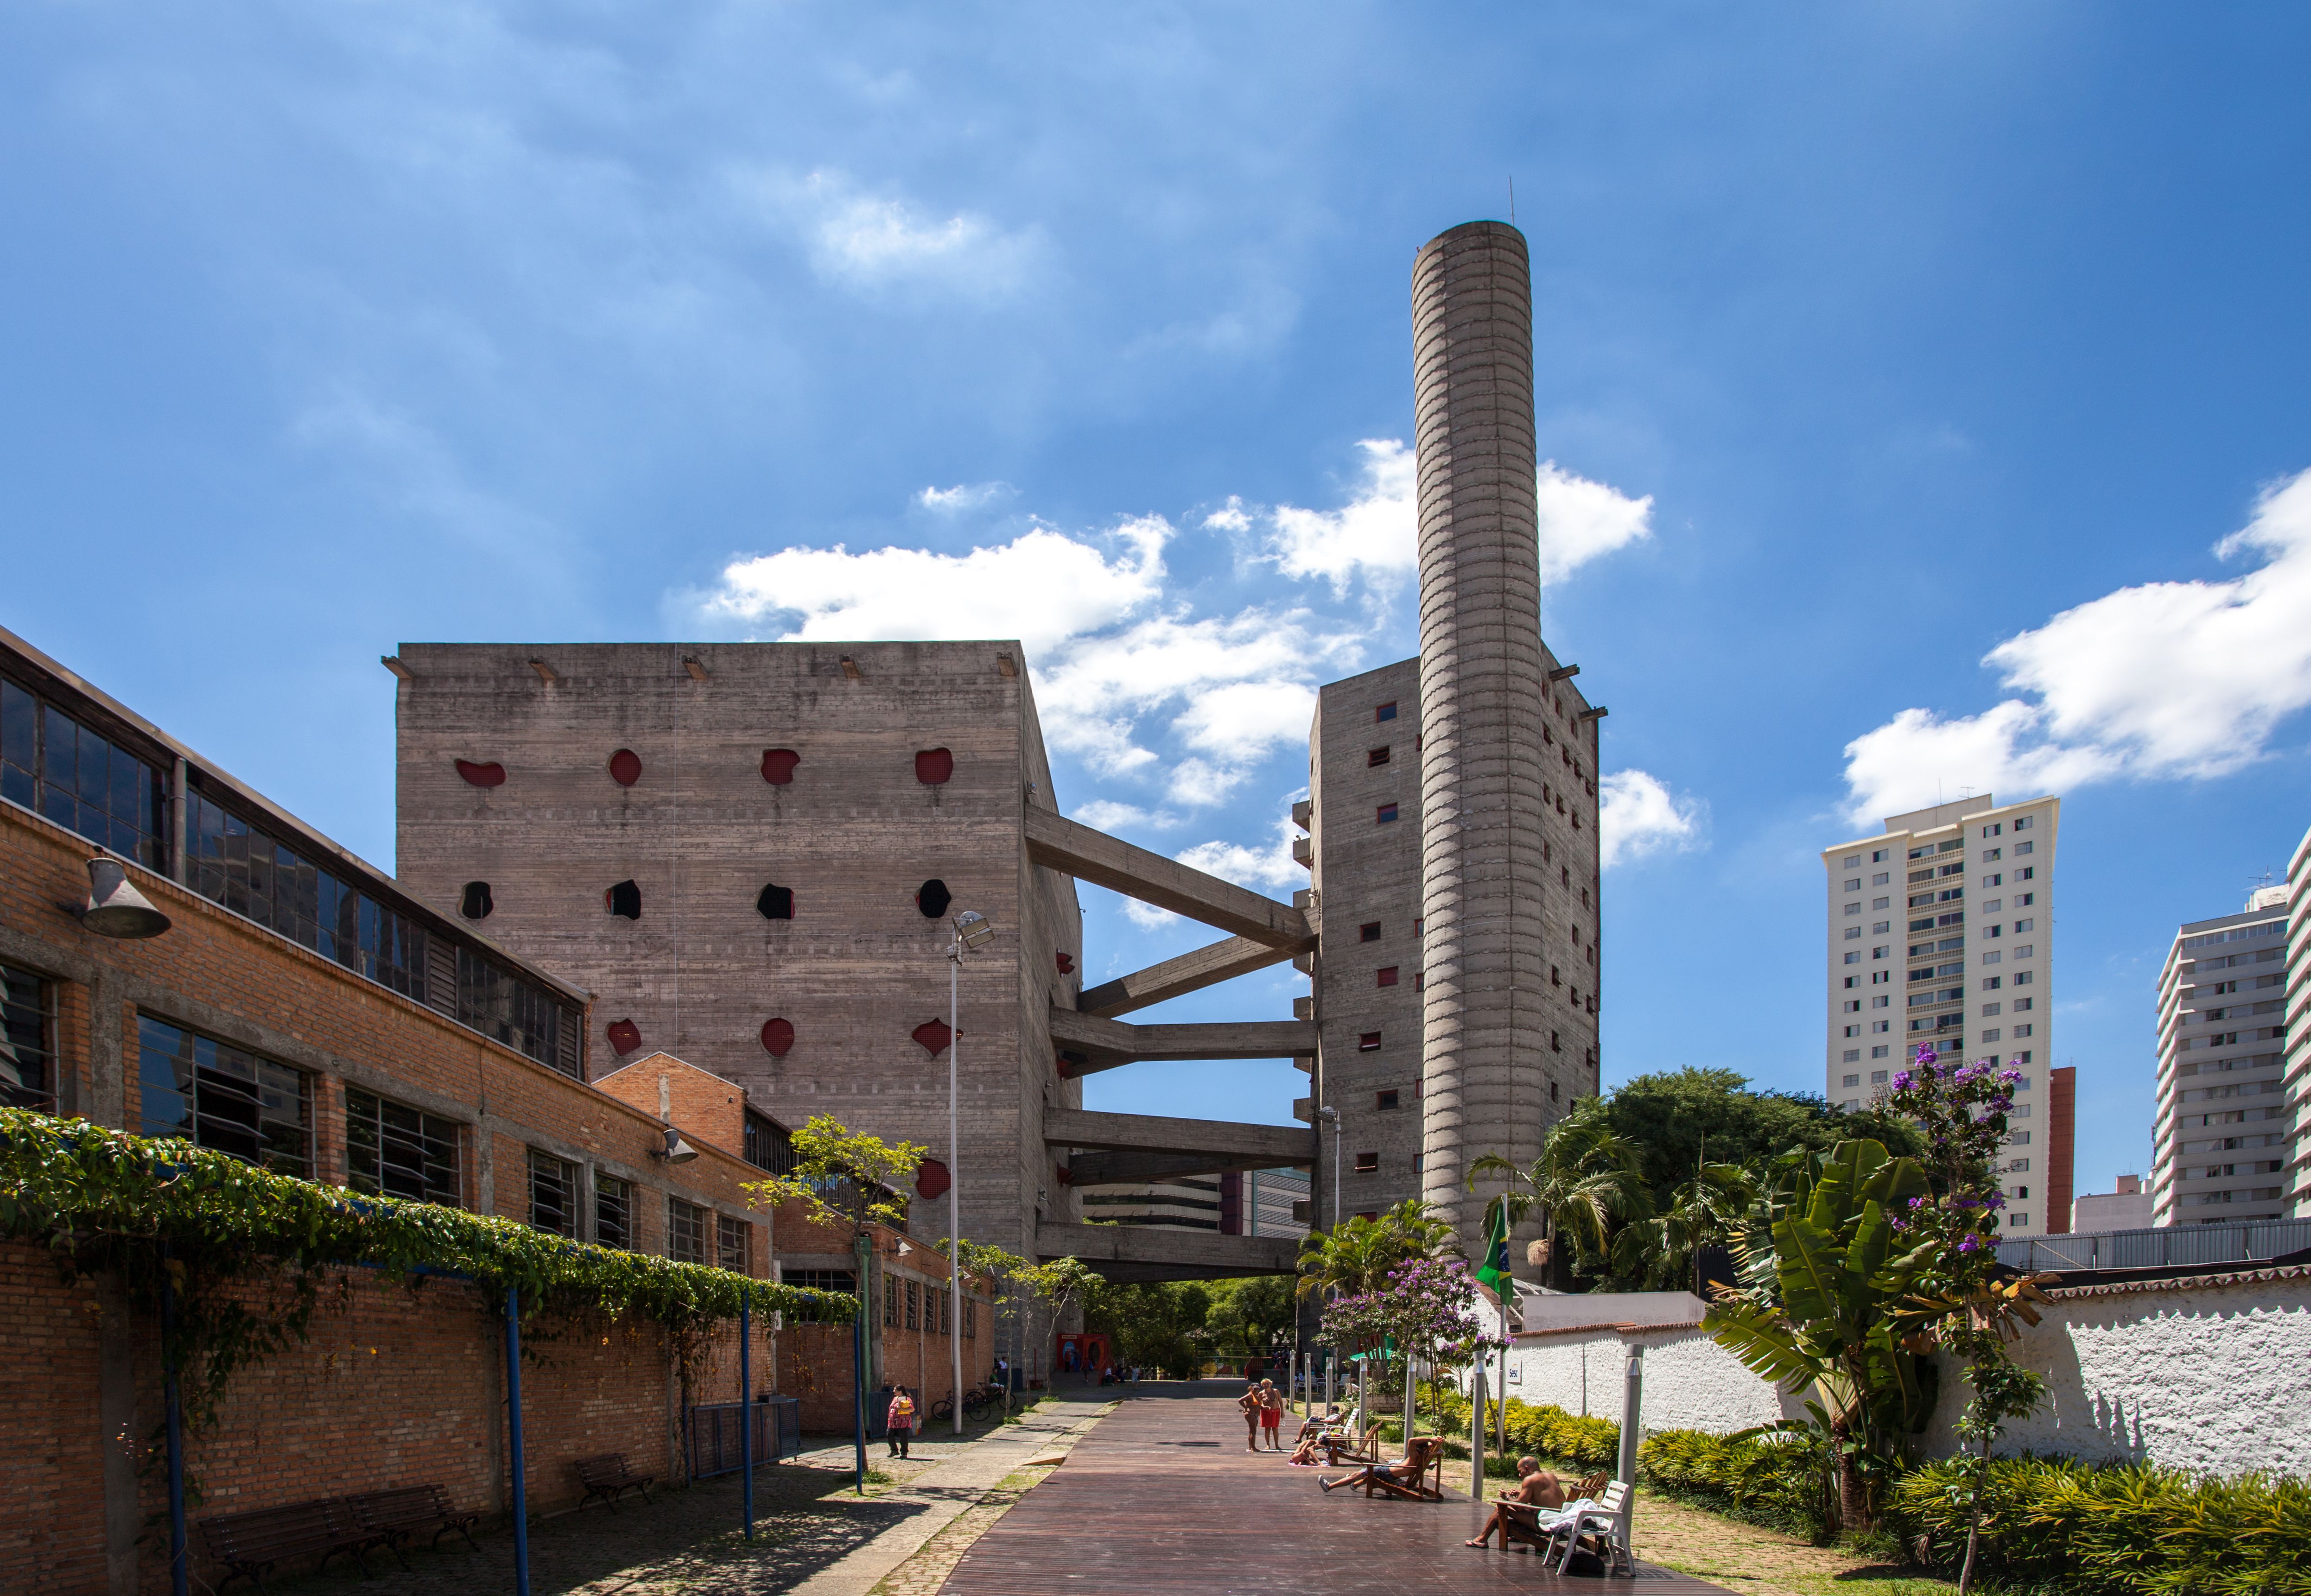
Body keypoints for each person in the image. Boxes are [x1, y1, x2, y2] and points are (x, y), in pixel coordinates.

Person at [1466, 1457, 1569, 1549]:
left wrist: (1507, 1497)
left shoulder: (1530, 1479)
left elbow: (1519, 1507)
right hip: (1559, 1518)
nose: (1520, 1475)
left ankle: (1482, 1540)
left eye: (1520, 1471)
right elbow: (1543, 1499)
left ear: (1527, 1468)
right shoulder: (1551, 1476)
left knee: (1500, 1509)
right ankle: (1516, 1537)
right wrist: (1521, 1495)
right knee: (1524, 1508)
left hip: (1546, 1524)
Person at [1320, 1435, 1444, 1494]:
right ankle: (1354, 1485)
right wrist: (1435, 1441)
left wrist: (1430, 1439)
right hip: (1393, 1475)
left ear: (1418, 1447)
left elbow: (1411, 1441)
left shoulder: (1414, 1456)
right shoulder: (1424, 1456)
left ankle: (1330, 1486)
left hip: (1386, 1473)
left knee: (1357, 1474)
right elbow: (1429, 1446)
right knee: (1365, 1476)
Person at [886, 1385, 918, 1459]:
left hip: (903, 1422)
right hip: (893, 1423)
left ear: (900, 1391)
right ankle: (894, 1450)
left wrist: (902, 1409)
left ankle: (904, 1453)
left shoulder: (907, 1399)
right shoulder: (895, 1399)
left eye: (895, 1390)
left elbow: (912, 1409)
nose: (894, 1391)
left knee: (903, 1438)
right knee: (889, 1435)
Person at [1257, 1378, 1286, 1450]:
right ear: (1262, 1385)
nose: (1266, 1385)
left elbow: (1281, 1402)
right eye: (1264, 1384)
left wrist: (1283, 1412)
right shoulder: (1261, 1394)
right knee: (1267, 1429)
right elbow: (1258, 1404)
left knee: (1275, 1428)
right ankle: (1268, 1445)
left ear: (1271, 1384)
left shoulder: (1276, 1391)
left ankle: (1277, 1445)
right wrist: (1263, 1407)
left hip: (1276, 1411)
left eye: (1268, 1384)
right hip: (1266, 1413)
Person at [1237, 1381, 1263, 1452]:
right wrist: (1246, 1408)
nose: (1257, 1390)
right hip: (1251, 1414)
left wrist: (1263, 1408)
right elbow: (1240, 1400)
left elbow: (1257, 1406)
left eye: (1258, 1389)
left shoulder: (1256, 1396)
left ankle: (1250, 1447)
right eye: (1255, 1389)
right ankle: (1253, 1448)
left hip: (1256, 1415)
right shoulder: (1250, 1395)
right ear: (1251, 1389)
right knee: (1253, 1431)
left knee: (1252, 1431)